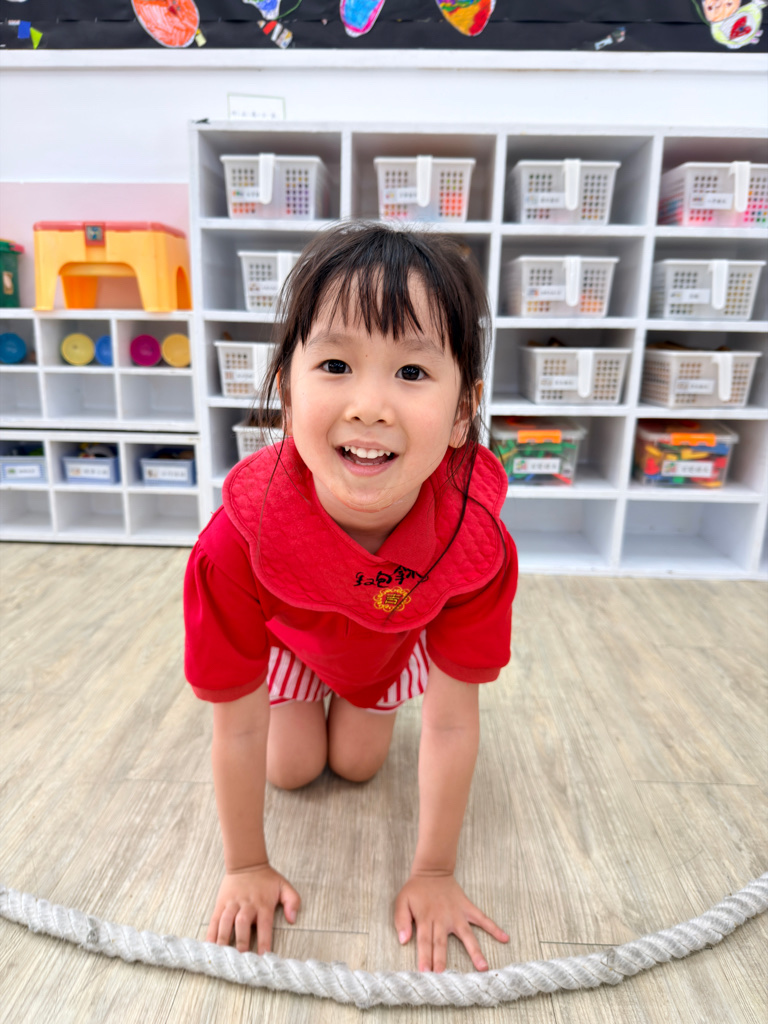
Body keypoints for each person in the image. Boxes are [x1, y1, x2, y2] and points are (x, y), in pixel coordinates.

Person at [184, 221, 518, 974]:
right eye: (335, 364)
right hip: (293, 647)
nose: (370, 405)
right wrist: (245, 865)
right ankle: (312, 697)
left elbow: (452, 720)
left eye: (412, 372)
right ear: (287, 390)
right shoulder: (237, 541)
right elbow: (235, 723)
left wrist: (434, 871)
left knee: (361, 764)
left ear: (462, 413)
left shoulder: (473, 543)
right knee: (292, 768)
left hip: (384, 646)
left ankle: (356, 702)